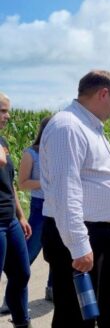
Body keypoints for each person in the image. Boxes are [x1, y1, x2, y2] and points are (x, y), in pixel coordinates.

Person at [40, 70, 110, 327]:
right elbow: (65, 191)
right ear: (104, 93)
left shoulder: (88, 124)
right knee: (76, 316)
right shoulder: (68, 127)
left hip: (104, 233)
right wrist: (79, 246)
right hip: (80, 236)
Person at [0, 92, 32, 328]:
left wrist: (20, 215)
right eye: (2, 111)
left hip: (9, 220)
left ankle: (22, 322)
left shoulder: (3, 142)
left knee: (22, 274)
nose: (7, 116)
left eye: (7, 110)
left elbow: (8, 181)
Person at [17, 117, 53, 301]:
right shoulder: (31, 153)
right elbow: (22, 183)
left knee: (58, 253)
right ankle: (11, 298)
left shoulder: (60, 152)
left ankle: (52, 290)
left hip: (58, 207)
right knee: (28, 254)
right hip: (40, 208)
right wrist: (48, 184)